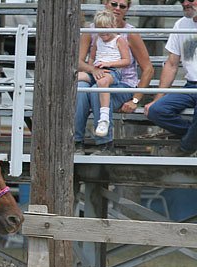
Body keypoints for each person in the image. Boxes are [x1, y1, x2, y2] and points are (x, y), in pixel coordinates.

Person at [74, 0, 154, 154]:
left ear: (127, 9)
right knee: (80, 89)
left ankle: (105, 144)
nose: (117, 8)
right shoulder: (91, 30)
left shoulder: (129, 34)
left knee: (98, 90)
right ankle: (76, 141)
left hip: (122, 83)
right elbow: (78, 61)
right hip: (96, 75)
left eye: (122, 6)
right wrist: (93, 69)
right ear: (105, 4)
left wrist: (135, 100)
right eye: (113, 4)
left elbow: (148, 68)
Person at [144, 0, 197, 157]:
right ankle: (192, 137)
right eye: (181, 0)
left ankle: (185, 148)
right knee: (156, 111)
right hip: (191, 86)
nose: (185, 3)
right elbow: (171, 64)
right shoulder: (181, 25)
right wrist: (157, 98)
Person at [77, 10, 132, 138]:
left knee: (102, 83)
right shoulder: (97, 39)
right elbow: (92, 57)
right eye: (100, 29)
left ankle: (104, 118)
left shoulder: (119, 40)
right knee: (76, 78)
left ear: (113, 26)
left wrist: (109, 64)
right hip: (96, 70)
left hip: (111, 71)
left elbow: (126, 61)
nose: (103, 32)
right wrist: (91, 68)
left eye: (106, 28)